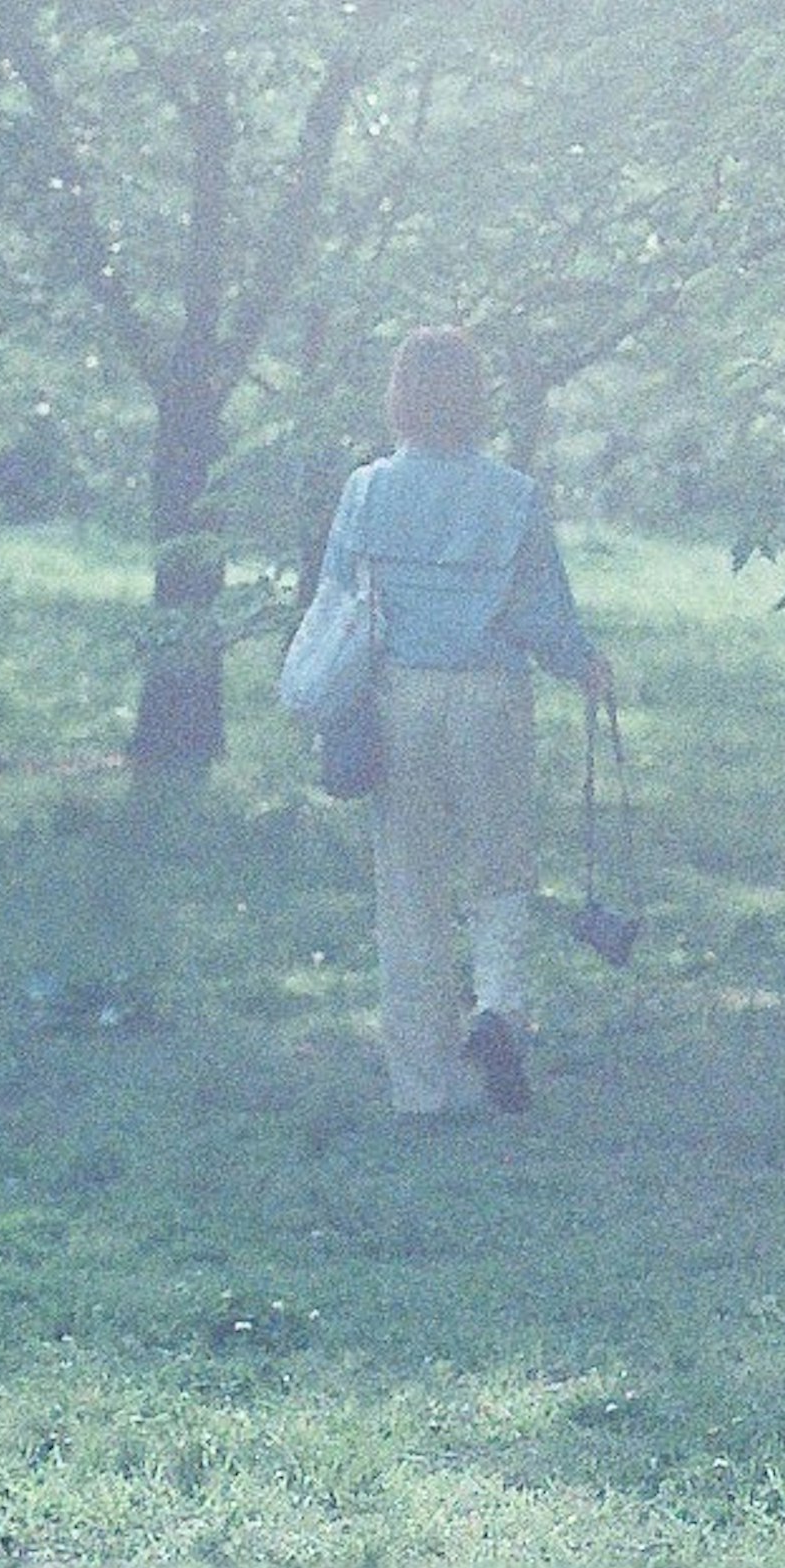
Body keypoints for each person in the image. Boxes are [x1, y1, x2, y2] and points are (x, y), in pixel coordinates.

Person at [315, 325, 610, 1118]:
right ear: (476, 397)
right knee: (501, 867)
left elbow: (339, 603)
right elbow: (542, 612)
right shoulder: (512, 496)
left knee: (409, 886)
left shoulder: (367, 490)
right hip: (490, 697)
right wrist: (582, 663)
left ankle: (420, 1087)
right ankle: (499, 1012)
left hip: (400, 696)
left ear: (400, 395)